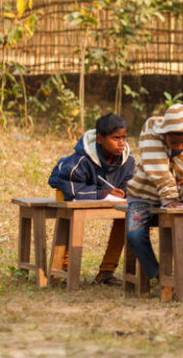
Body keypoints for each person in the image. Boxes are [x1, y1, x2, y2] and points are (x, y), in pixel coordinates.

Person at [48, 113, 135, 286]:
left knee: (128, 216)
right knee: (71, 218)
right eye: (115, 138)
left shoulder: (128, 161)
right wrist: (101, 194)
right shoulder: (80, 159)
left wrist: (123, 193)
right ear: (100, 139)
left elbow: (130, 185)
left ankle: (106, 272)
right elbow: (71, 188)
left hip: (107, 197)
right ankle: (62, 271)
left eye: (124, 137)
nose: (121, 143)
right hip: (68, 190)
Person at [125, 104, 183, 283]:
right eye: (174, 142)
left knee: (180, 231)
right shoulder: (151, 132)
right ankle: (160, 275)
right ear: (165, 134)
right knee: (134, 235)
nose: (179, 146)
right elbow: (158, 170)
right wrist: (170, 198)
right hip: (142, 197)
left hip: (174, 199)